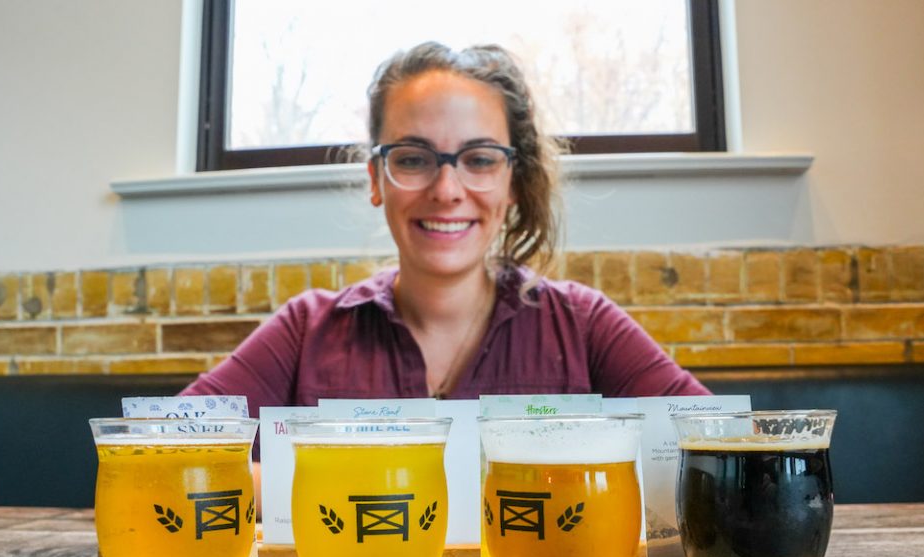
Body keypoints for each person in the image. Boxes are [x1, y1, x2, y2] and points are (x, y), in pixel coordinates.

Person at [182, 41, 709, 415]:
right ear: (376, 179)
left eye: (479, 159)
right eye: (413, 159)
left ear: (514, 182)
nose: (447, 190)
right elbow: (159, 448)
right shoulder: (305, 331)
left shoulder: (584, 326)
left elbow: (719, 445)